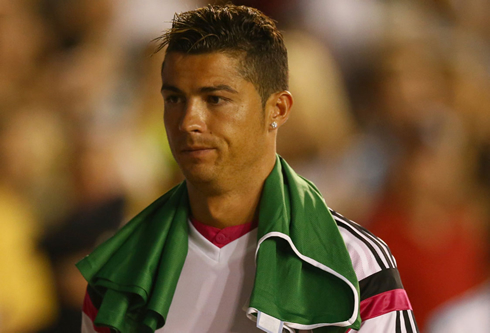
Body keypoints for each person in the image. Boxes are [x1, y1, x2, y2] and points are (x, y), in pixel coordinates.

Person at [78, 4, 418, 333]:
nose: (188, 122)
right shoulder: (119, 273)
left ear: (278, 109)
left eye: (215, 99)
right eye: (174, 99)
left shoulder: (356, 266)